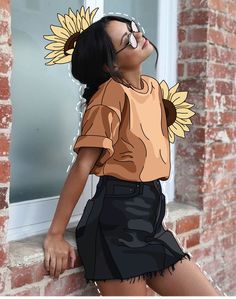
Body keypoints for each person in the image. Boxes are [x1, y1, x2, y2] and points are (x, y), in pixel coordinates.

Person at [43, 10, 222, 296]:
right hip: (116, 222)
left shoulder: (151, 88)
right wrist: (54, 234)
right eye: (128, 39)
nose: (139, 35)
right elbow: (82, 166)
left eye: (134, 28)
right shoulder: (108, 96)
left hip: (150, 215)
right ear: (109, 65)